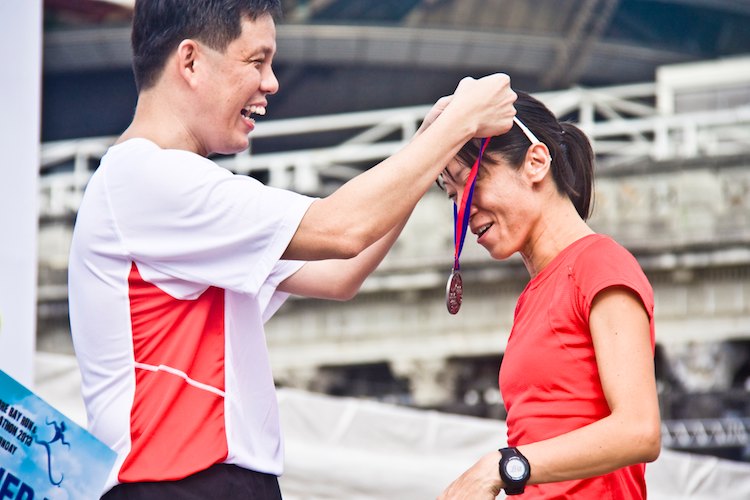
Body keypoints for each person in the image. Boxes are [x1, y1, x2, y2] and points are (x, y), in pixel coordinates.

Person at [67, 0, 517, 498]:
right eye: (256, 61)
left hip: (218, 480)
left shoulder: (171, 191)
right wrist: (459, 125)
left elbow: (339, 272)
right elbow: (343, 229)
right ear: (190, 61)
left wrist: (433, 145)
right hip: (172, 480)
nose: (272, 83)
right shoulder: (148, 179)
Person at [437, 91, 661, 499]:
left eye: (470, 181)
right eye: (452, 196)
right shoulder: (536, 293)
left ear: (536, 162)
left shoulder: (600, 264)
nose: (463, 207)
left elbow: (639, 430)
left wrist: (502, 466)